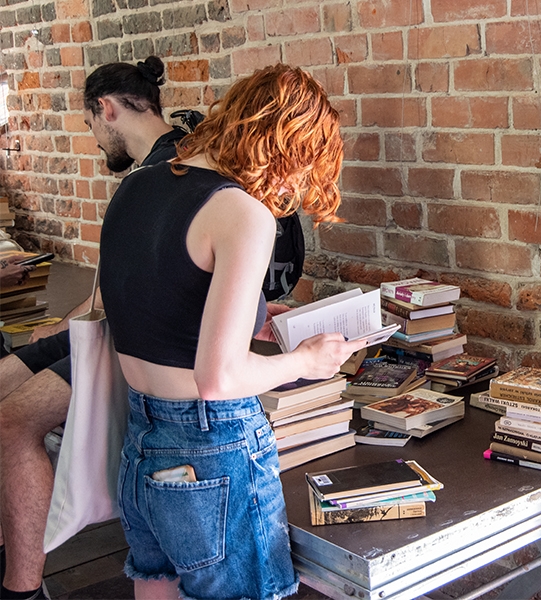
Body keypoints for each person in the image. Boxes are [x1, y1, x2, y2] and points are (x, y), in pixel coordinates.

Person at [98, 64, 364, 600]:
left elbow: (160, 309)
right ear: (285, 144)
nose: (296, 186)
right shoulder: (241, 212)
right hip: (211, 445)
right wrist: (305, 361)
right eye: (304, 165)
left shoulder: (135, 188)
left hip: (142, 441)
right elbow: (218, 377)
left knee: (154, 582)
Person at [0, 56, 184, 600]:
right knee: (4, 374)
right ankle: (11, 528)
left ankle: (22, 589)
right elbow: (110, 285)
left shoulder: (168, 175)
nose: (95, 142)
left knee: (11, 424)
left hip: (131, 343)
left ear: (105, 109)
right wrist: (66, 323)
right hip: (102, 323)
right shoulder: (146, 174)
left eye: (89, 127)